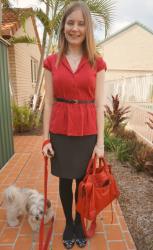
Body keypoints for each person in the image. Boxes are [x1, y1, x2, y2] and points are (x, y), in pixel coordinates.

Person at [42, 1, 107, 249]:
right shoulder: (51, 62)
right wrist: (45, 138)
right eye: (70, 22)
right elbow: (48, 102)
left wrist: (100, 144)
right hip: (60, 130)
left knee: (83, 181)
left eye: (81, 23)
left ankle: (80, 221)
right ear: (64, 26)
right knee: (64, 180)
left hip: (87, 131)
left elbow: (99, 104)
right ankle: (68, 223)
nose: (75, 28)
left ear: (87, 28)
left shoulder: (97, 63)